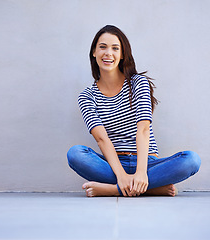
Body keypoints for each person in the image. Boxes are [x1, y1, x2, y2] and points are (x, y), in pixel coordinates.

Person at [67, 25, 201, 197]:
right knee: (75, 154)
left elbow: (143, 129)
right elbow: (101, 138)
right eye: (102, 47)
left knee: (191, 160)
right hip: (113, 164)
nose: (108, 53)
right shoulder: (87, 96)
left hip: (147, 162)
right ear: (94, 52)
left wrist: (141, 173)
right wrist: (121, 176)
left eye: (115, 48)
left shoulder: (139, 83)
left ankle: (113, 189)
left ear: (122, 55)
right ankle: (149, 188)